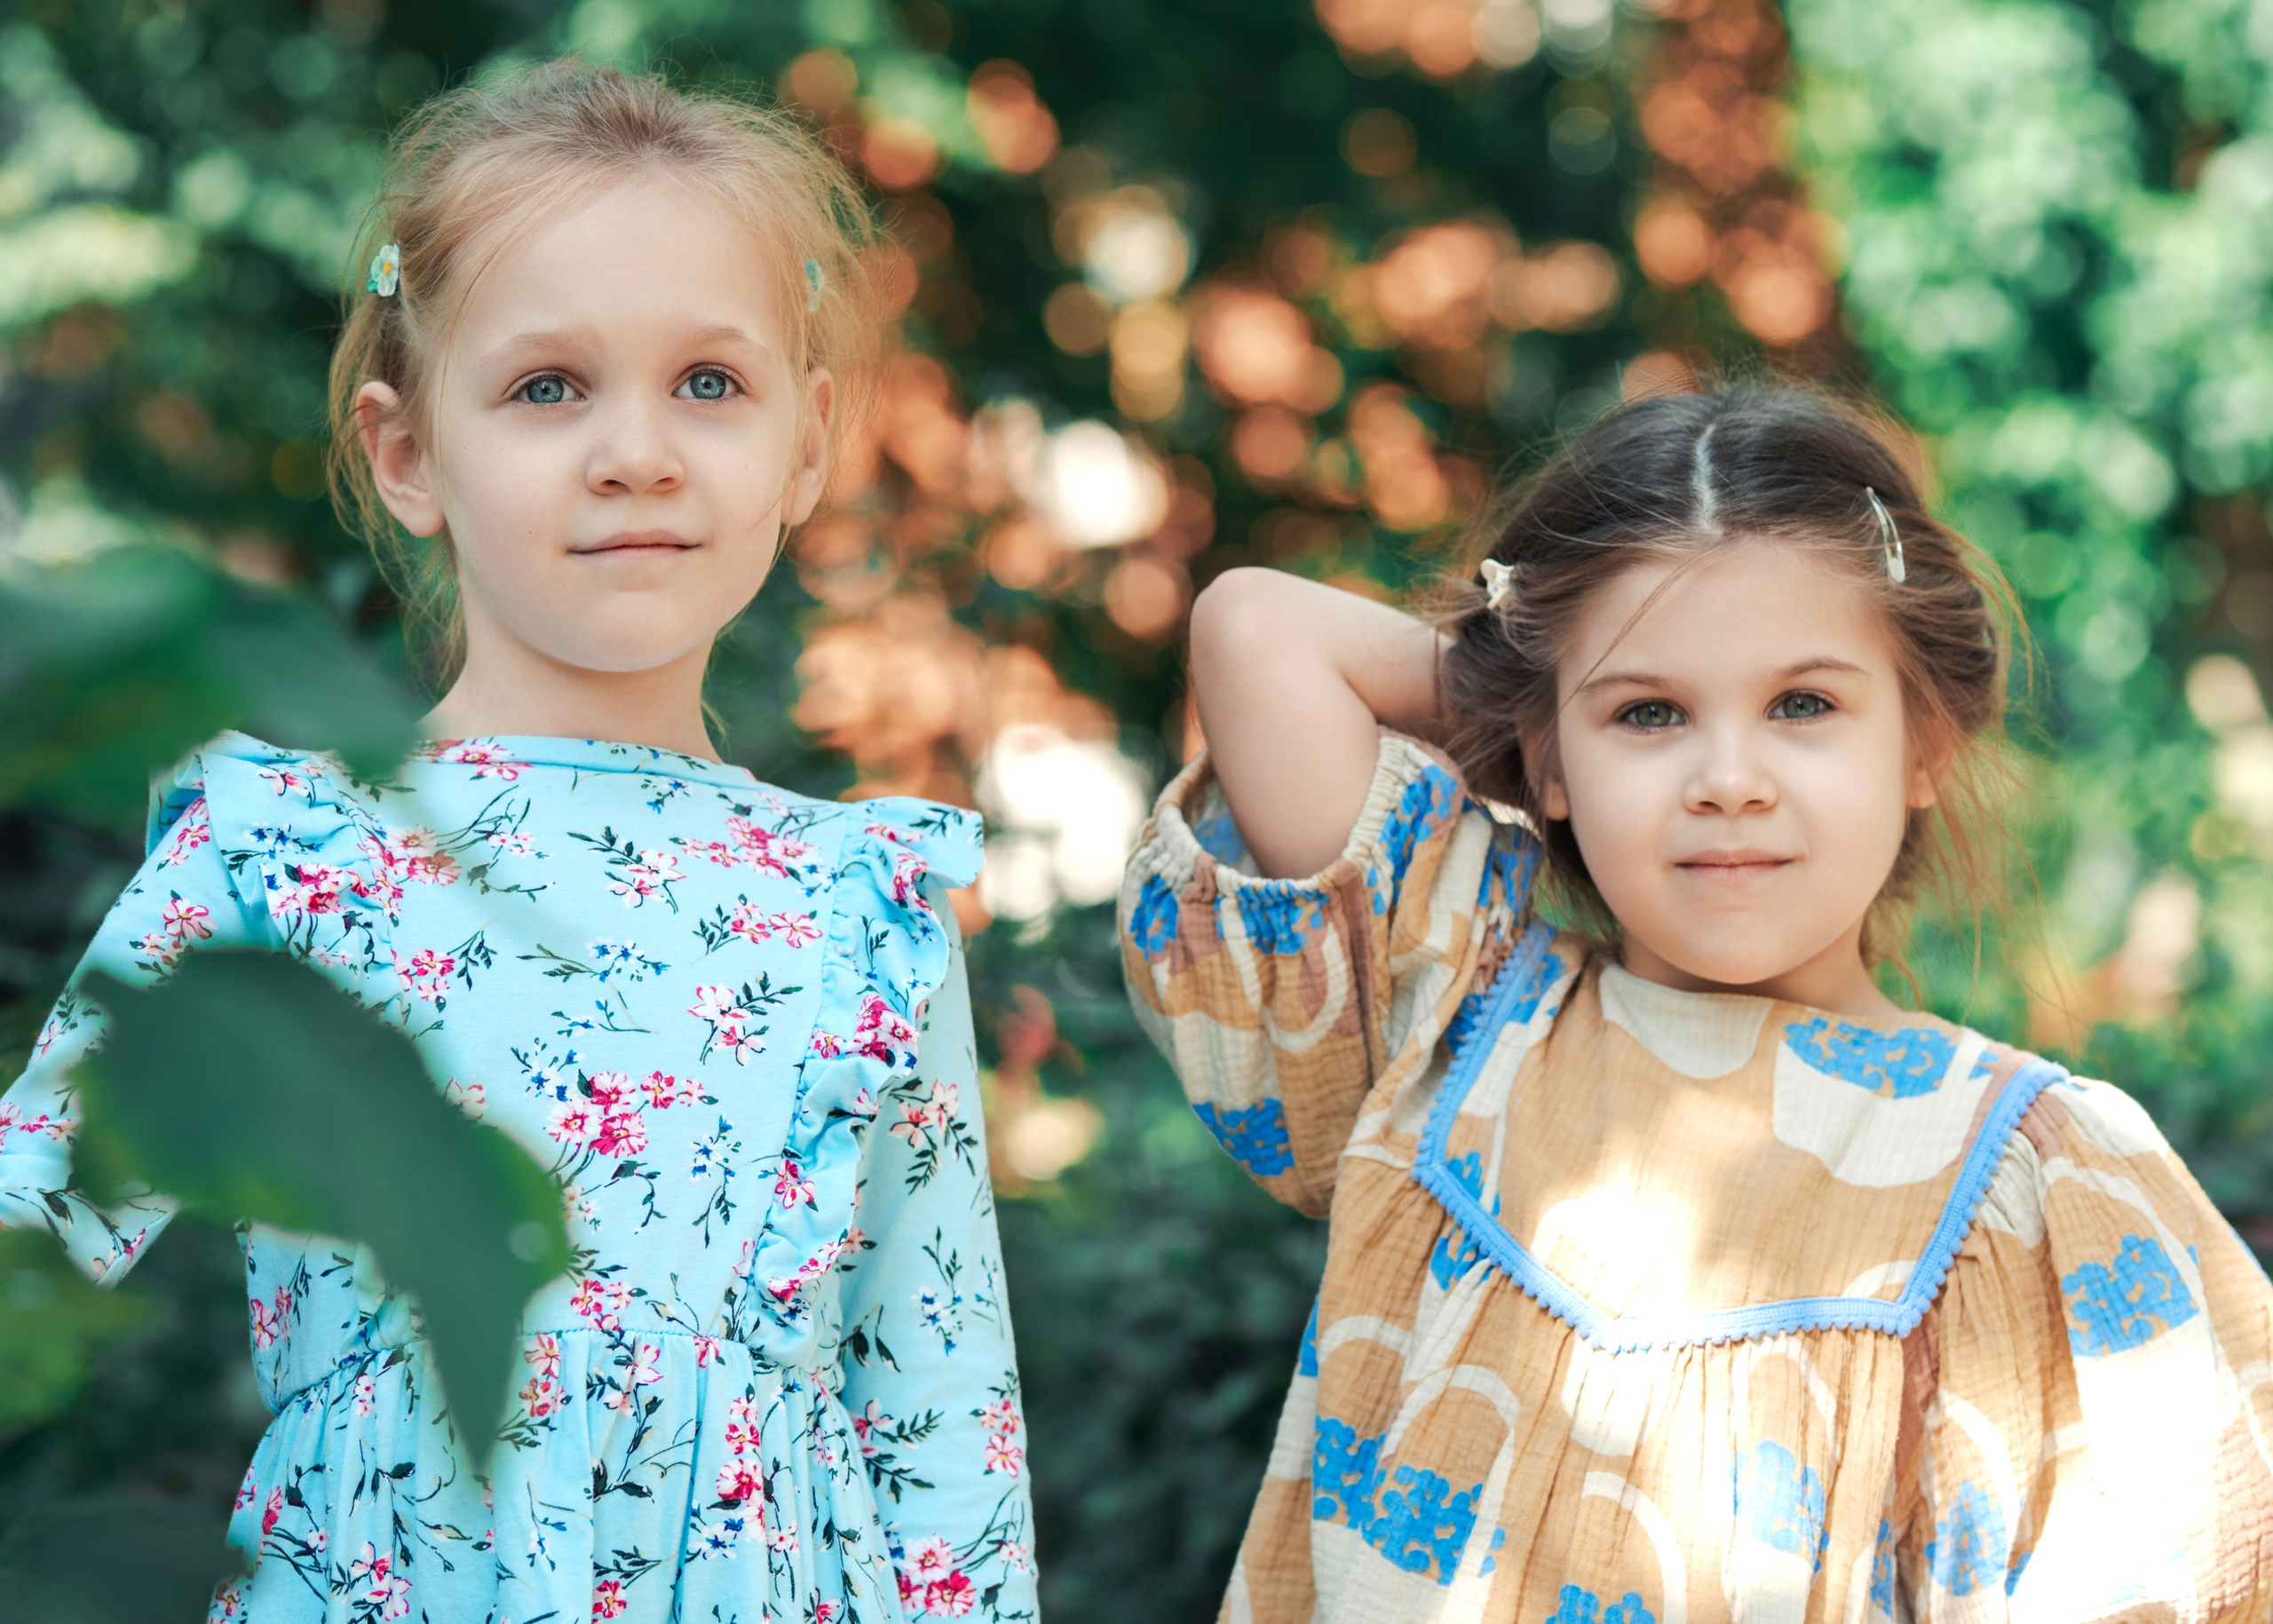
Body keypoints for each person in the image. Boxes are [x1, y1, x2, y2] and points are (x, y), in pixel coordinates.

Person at [0, 62, 1034, 1624]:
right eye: (549, 386)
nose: (638, 451)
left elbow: (946, 1426)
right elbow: (35, 1225)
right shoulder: (287, 851)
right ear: (409, 452)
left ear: (807, 441)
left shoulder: (865, 900)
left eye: (710, 383)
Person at [1121, 386, 2273, 1620]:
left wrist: (1587, 698)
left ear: (1923, 741)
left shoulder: (2042, 1179)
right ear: (1553, 758)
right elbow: (1255, 631)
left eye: (1804, 704)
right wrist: (1542, 690)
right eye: (1651, 712)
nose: (1729, 778)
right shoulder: (1459, 1014)